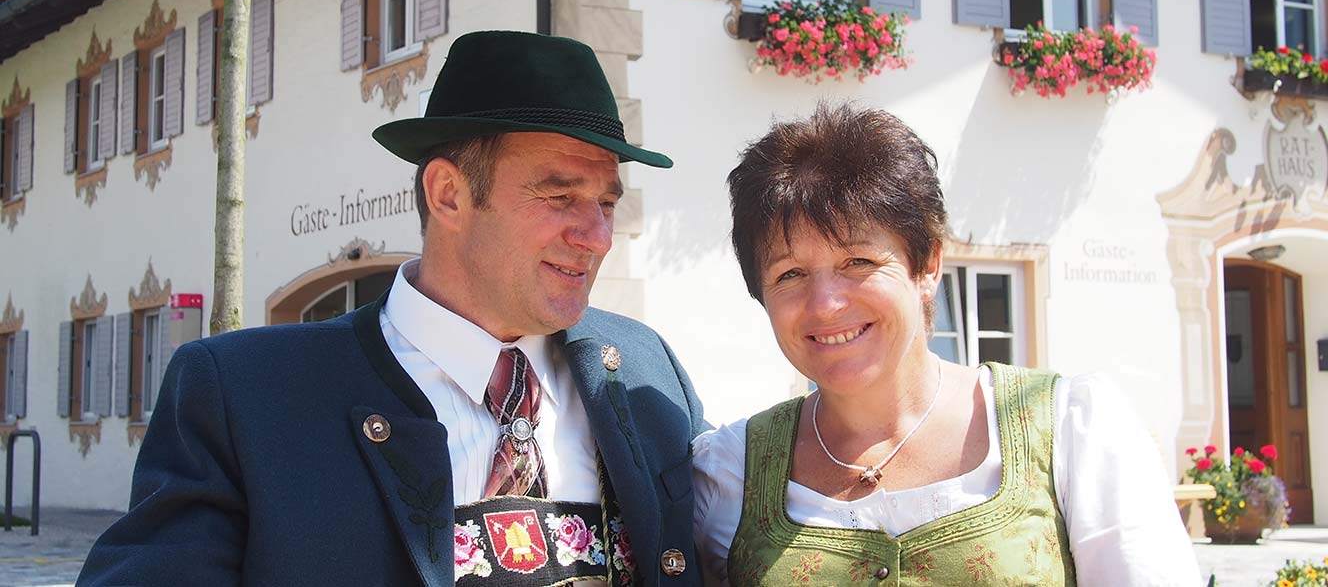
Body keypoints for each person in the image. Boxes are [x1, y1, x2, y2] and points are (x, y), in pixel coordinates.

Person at [79, 31, 710, 587]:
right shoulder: (246, 396)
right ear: (449, 194)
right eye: (560, 194)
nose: (597, 234)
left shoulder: (643, 370)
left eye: (605, 202)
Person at [693, 103, 1202, 586]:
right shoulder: (731, 472)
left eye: (859, 262)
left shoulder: (1071, 430)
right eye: (791, 273)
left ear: (928, 265)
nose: (825, 303)